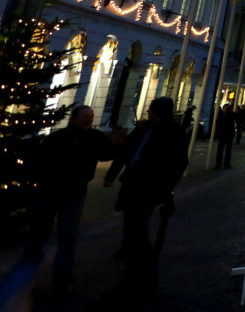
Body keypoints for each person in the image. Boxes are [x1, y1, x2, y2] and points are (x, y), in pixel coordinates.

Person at [22, 106, 119, 292]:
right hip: (50, 190)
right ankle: (27, 273)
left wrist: (117, 145)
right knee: (39, 233)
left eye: (91, 117)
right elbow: (40, 160)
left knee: (68, 235)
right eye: (85, 117)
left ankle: (62, 278)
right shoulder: (58, 137)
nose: (88, 120)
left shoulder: (95, 137)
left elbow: (107, 154)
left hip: (75, 192)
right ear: (74, 118)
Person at [103, 96, 189, 297]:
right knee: (134, 228)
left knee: (137, 232)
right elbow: (126, 152)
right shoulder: (145, 129)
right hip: (134, 185)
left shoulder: (172, 132)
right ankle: (141, 274)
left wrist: (166, 187)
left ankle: (139, 279)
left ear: (155, 111)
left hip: (148, 188)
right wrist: (111, 175)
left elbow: (178, 163)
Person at [215, 103, 236, 169]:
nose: (226, 110)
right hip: (222, 135)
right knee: (220, 150)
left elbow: (236, 118)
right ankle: (218, 164)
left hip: (228, 135)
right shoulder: (220, 115)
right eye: (225, 108)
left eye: (227, 108)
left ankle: (226, 164)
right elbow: (218, 124)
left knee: (228, 151)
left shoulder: (231, 115)